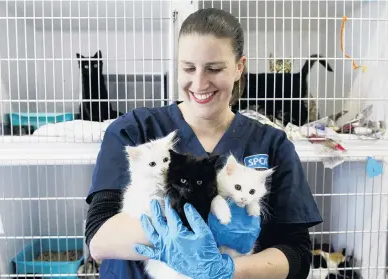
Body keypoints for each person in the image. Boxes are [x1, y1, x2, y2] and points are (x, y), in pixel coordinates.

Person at [85, 7, 322, 279]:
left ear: (239, 67)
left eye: (214, 68)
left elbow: (298, 254)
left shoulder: (271, 144)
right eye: (188, 68)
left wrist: (227, 270)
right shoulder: (135, 131)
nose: (199, 83)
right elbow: (98, 238)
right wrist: (184, 235)